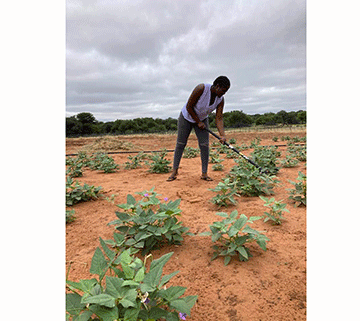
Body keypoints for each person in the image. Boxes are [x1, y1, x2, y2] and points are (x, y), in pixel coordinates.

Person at [167, 76, 231, 181]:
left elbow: (219, 118)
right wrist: (198, 122)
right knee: (181, 144)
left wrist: (222, 135)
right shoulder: (201, 89)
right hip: (187, 117)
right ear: (217, 86)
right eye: (223, 90)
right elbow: (189, 106)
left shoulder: (220, 100)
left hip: (202, 119)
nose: (224, 93)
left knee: (204, 145)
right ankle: (174, 172)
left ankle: (204, 174)